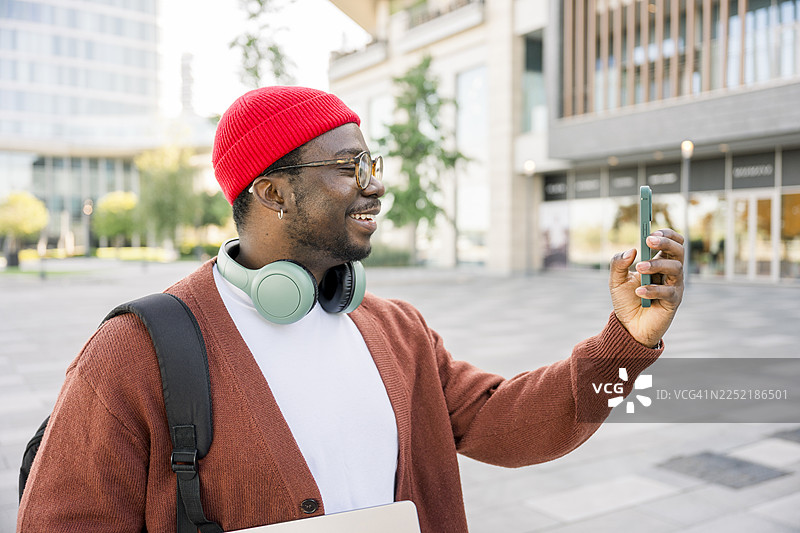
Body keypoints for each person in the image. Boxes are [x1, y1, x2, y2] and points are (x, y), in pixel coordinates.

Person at [17, 86, 685, 532]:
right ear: (273, 192)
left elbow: (512, 421)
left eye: (373, 162)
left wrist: (623, 340)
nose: (376, 184)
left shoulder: (397, 329)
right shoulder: (132, 354)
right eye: (348, 165)